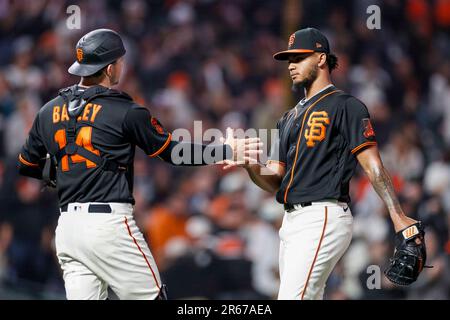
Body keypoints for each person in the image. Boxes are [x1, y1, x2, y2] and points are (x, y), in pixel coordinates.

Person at [17, 28, 260, 300]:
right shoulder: (124, 110)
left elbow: (27, 163)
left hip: (68, 230)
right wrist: (226, 151)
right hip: (107, 225)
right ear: (110, 68)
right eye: (120, 61)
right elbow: (172, 152)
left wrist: (62, 173)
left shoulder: (48, 109)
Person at [223, 27, 421, 300]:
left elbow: (373, 165)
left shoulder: (346, 106)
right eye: (289, 60)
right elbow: (275, 179)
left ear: (320, 58)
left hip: (323, 214)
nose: (291, 66)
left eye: (299, 58)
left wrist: (397, 215)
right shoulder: (288, 117)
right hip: (291, 221)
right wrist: (250, 166)